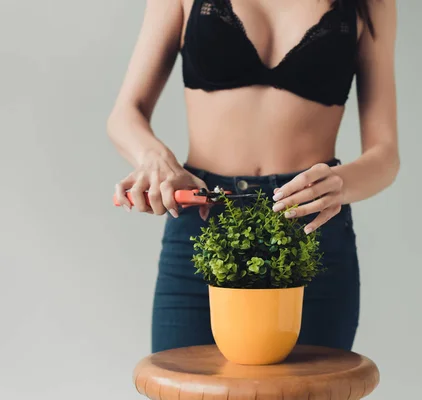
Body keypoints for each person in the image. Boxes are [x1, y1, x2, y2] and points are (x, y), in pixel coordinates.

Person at [107, 0, 399, 353]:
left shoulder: (371, 4)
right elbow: (125, 114)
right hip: (203, 221)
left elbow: (385, 154)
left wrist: (341, 184)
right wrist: (155, 158)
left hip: (307, 227)